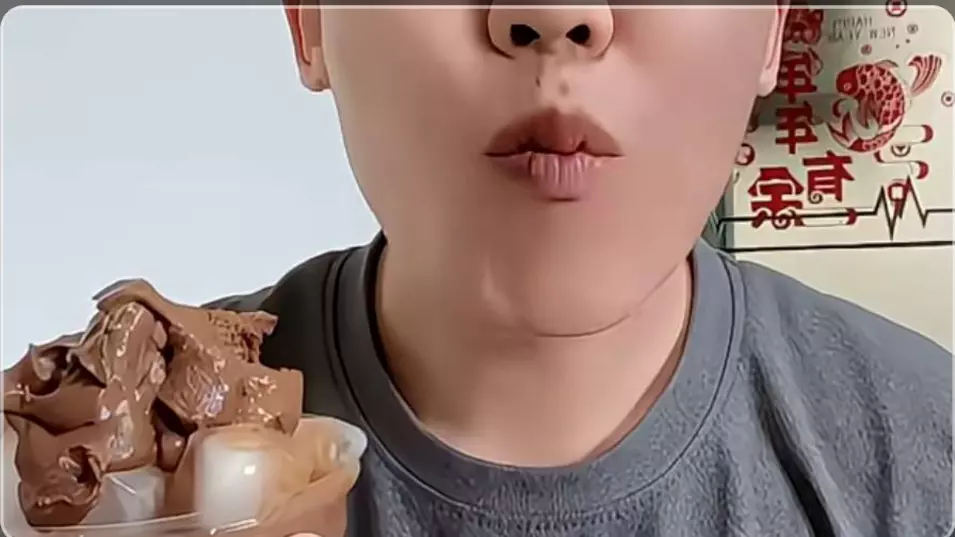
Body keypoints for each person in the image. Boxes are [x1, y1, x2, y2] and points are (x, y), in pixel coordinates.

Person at [42, 3, 955, 536]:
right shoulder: (88, 458)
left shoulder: (928, 454)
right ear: (308, 20)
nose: (556, 14)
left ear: (771, 27)